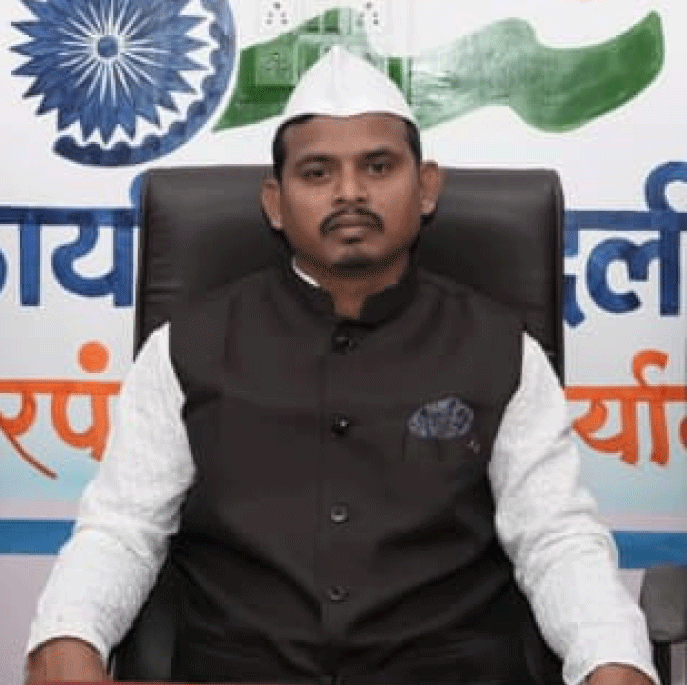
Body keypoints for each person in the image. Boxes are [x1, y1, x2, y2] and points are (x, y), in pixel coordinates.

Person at [25, 46, 658, 685]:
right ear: (275, 202)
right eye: (317, 172)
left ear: (427, 187)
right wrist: (67, 636)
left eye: (378, 166)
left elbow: (554, 536)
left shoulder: (502, 349)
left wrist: (613, 660)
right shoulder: (185, 347)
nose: (350, 192)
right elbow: (123, 527)